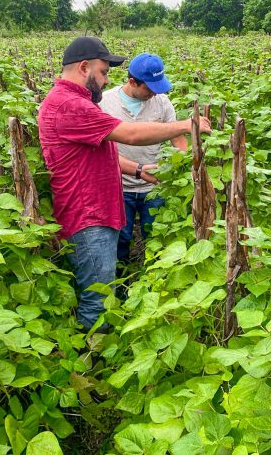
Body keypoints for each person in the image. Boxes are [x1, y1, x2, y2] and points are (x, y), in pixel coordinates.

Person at [37, 37, 211, 332]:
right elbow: (128, 135)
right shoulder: (70, 106)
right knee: (97, 300)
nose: (105, 81)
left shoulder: (74, 103)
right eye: (103, 72)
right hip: (88, 216)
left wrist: (140, 169)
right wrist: (185, 124)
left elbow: (103, 152)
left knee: (105, 290)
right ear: (83, 68)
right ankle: (93, 365)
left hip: (97, 210)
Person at [99, 53, 187, 264]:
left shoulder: (163, 103)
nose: (155, 93)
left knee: (156, 237)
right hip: (118, 186)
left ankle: (152, 283)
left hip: (154, 187)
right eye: (149, 88)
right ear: (132, 82)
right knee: (120, 240)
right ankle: (120, 286)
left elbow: (178, 138)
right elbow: (100, 149)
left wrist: (183, 162)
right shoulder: (105, 103)